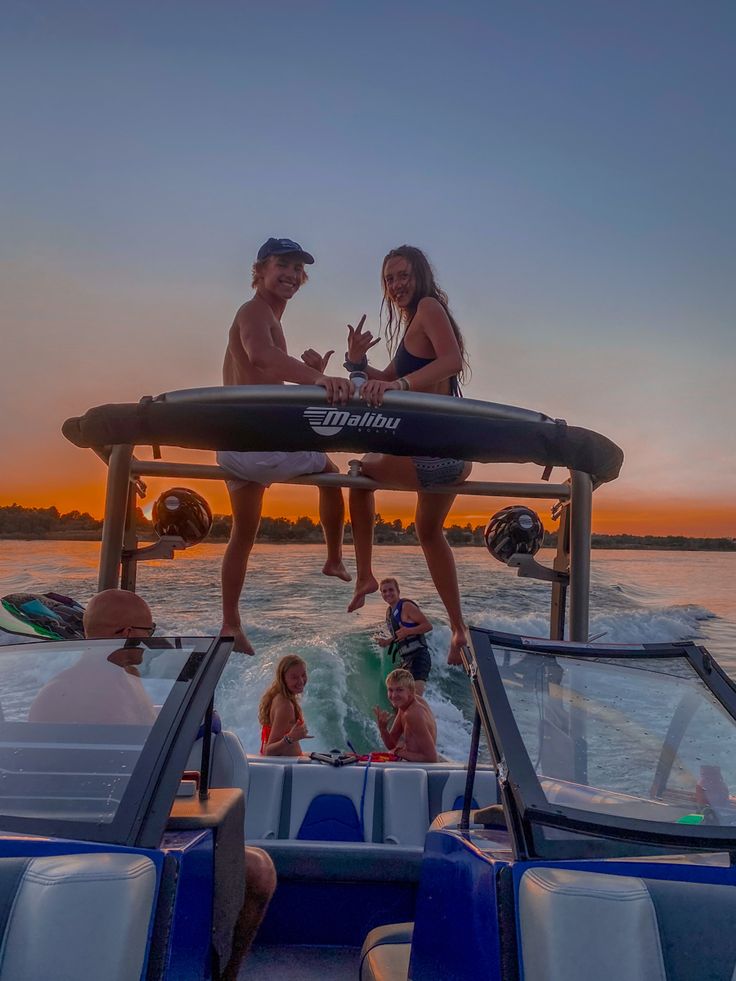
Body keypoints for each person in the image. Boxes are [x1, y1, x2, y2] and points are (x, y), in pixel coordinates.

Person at [32, 589, 276, 976]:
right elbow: (138, 783)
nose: (149, 642)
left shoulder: (87, 680)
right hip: (116, 838)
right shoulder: (108, 691)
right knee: (258, 871)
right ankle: (221, 972)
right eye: (149, 631)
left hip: (76, 827)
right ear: (128, 632)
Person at [218, 237, 353, 655]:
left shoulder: (266, 316)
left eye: (297, 269)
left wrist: (310, 372)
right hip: (259, 445)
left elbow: (265, 378)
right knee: (330, 473)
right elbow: (260, 358)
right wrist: (316, 380)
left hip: (234, 445)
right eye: (282, 265)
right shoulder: (254, 311)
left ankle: (230, 623)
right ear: (259, 269)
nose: (291, 275)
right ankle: (333, 557)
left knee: (243, 534)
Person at [344, 245, 471, 664]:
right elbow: (381, 379)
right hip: (453, 455)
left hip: (430, 455)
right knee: (429, 532)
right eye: (389, 279)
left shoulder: (430, 308)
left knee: (358, 474)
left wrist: (400, 388)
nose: (396, 285)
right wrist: (356, 361)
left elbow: (451, 361)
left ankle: (364, 575)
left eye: (403, 276)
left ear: (420, 275)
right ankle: (458, 628)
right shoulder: (414, 323)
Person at [28, 588, 157, 725]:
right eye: (150, 630)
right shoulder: (59, 696)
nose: (149, 638)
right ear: (127, 633)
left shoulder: (130, 674)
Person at [377, 577, 432, 696]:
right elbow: (400, 633)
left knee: (415, 699)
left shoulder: (406, 606)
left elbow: (427, 626)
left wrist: (409, 631)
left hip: (419, 657)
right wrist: (388, 641)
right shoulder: (390, 612)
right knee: (400, 700)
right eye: (384, 591)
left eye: (391, 590)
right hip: (406, 660)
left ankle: (426, 714)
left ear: (398, 591)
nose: (388, 593)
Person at [373, 668, 438, 763]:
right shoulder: (405, 705)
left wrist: (398, 752)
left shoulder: (413, 714)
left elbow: (431, 758)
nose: (394, 695)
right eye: (390, 690)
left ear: (411, 691)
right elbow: (392, 744)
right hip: (414, 765)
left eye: (399, 690)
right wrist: (383, 729)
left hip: (419, 769)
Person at [258, 654, 312, 757]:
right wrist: (290, 738)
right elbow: (269, 752)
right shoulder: (285, 706)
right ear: (283, 679)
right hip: (287, 769)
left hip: (290, 763)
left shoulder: (279, 696)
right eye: (294, 677)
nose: (301, 681)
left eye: (303, 675)